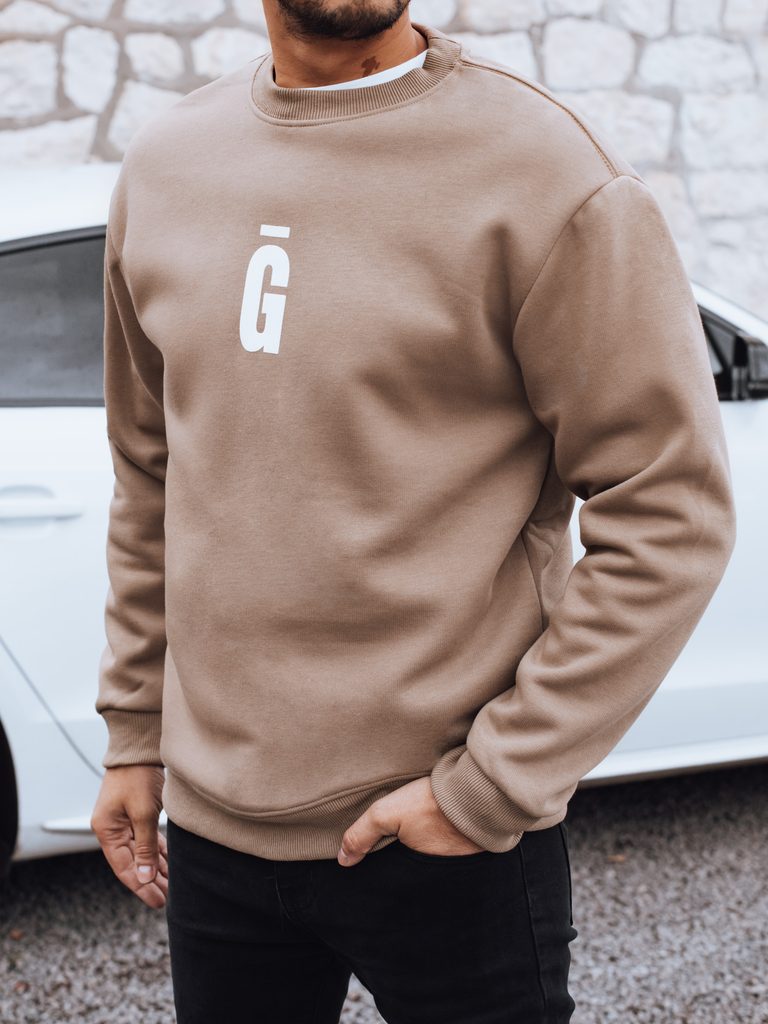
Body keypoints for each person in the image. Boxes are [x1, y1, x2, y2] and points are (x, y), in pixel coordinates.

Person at [89, 2, 737, 1022]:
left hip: (448, 837)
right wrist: (135, 730)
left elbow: (672, 509)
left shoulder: (547, 173)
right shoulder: (168, 163)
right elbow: (150, 471)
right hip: (215, 837)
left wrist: (489, 787)